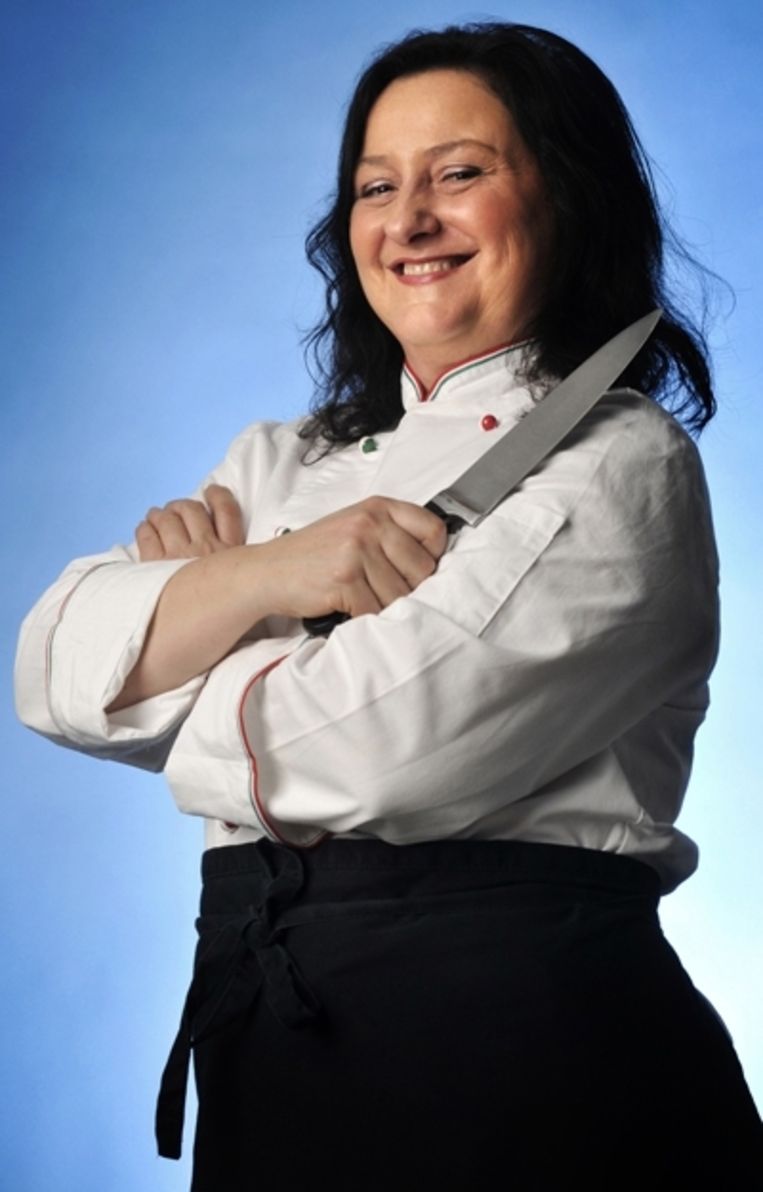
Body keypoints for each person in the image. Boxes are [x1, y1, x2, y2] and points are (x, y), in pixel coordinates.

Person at [14, 21, 762, 1190]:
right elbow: (48, 668)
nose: (407, 219)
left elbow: (370, 753)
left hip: (531, 1071)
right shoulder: (281, 460)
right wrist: (278, 574)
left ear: (568, 200)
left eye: (458, 173)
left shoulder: (619, 461)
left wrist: (180, 634)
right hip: (271, 1071)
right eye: (376, 186)